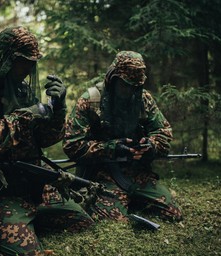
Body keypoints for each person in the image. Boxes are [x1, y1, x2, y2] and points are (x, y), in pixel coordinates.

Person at [0, 26, 93, 256]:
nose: (29, 69)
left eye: (32, 62)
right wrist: (26, 116)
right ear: (5, 58)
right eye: (23, 62)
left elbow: (45, 139)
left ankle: (27, 219)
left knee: (82, 222)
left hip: (30, 184)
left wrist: (58, 108)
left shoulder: (22, 90)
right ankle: (5, 223)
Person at [63, 51, 182, 222]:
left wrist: (151, 146)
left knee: (174, 214)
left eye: (134, 86)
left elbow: (163, 133)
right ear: (113, 79)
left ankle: (132, 199)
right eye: (125, 85)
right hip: (102, 174)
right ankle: (114, 200)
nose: (129, 91)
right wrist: (110, 148)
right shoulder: (90, 101)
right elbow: (71, 145)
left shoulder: (143, 99)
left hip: (137, 173)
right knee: (113, 220)